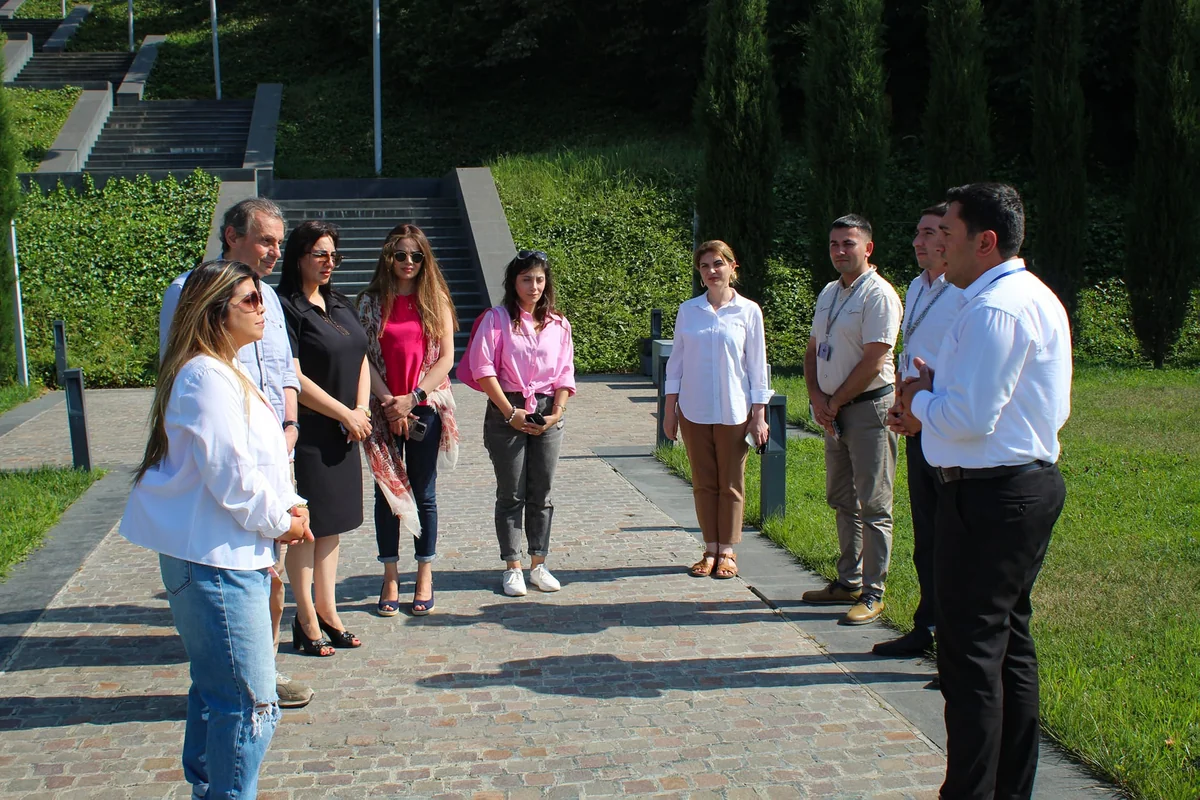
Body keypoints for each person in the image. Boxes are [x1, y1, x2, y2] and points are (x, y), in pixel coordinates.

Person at [896, 183, 1071, 799]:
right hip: (1013, 488)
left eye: (948, 233)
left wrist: (919, 402)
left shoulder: (997, 308)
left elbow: (970, 417)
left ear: (985, 241)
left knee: (970, 659)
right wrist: (936, 386)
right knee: (1007, 646)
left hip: (992, 496)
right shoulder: (1018, 296)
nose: (937, 245)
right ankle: (1007, 790)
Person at [123, 260, 313, 799]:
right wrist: (282, 521)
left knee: (216, 696)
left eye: (261, 296)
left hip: (227, 554)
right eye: (249, 299)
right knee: (250, 705)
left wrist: (291, 505)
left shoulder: (222, 369)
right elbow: (231, 475)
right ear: (214, 312)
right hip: (215, 560)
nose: (262, 307)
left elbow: (257, 461)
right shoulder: (206, 377)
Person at [158, 197, 312, 708]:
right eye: (265, 240)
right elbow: (182, 368)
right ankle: (241, 680)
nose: (275, 252)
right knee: (238, 570)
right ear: (232, 236)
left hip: (275, 449)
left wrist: (289, 426)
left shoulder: (268, 298)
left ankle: (263, 667)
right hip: (228, 456)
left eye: (279, 243)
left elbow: (285, 370)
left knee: (270, 574)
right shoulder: (192, 292)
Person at [873, 204, 966, 658]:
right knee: (926, 534)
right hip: (915, 421)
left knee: (954, 541)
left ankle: (956, 644)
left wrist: (921, 407)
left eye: (929, 233)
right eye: (917, 232)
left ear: (949, 239)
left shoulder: (963, 292)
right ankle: (926, 626)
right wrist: (900, 402)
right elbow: (909, 352)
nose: (918, 241)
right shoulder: (916, 286)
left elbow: (959, 367)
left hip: (946, 424)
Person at [801, 214, 902, 626]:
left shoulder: (879, 295)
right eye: (834, 244)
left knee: (874, 503)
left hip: (867, 409)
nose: (840, 251)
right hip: (834, 410)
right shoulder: (830, 291)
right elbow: (813, 348)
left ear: (868, 248)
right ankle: (848, 581)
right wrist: (816, 397)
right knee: (842, 498)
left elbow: (875, 359)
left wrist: (835, 401)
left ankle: (874, 592)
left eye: (848, 243)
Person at [277, 220, 372, 655]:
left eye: (334, 255)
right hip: (310, 431)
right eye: (320, 254)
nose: (329, 262)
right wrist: (344, 413)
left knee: (332, 525)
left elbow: (362, 356)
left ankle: (328, 610)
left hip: (345, 430)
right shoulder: (286, 308)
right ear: (299, 256)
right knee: (307, 528)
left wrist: (361, 411)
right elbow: (293, 375)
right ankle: (305, 616)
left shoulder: (339, 302)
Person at [357, 224, 460, 617]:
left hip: (425, 406)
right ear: (388, 257)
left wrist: (412, 399)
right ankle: (390, 576)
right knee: (387, 493)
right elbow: (363, 356)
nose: (408, 262)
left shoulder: (435, 299)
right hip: (383, 407)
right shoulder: (370, 302)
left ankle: (424, 574)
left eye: (416, 256)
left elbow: (446, 359)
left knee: (423, 492)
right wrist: (389, 403)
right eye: (401, 254)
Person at [466, 250, 576, 597]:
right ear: (513, 282)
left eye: (540, 279)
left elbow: (565, 372)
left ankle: (538, 563)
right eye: (526, 279)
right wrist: (508, 411)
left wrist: (557, 412)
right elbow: (483, 368)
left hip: (546, 409)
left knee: (541, 492)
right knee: (511, 492)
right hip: (507, 407)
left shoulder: (559, 324)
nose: (534, 286)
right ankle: (512, 566)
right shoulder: (496, 319)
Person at [662, 240, 772, 579]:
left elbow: (757, 366)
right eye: (705, 265)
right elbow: (676, 364)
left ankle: (728, 551)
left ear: (732, 267)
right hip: (693, 409)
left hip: (734, 410)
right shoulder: (688, 311)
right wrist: (669, 410)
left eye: (718, 264)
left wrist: (759, 414)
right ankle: (710, 548)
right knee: (703, 482)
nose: (712, 271)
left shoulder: (748, 311)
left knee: (731, 483)